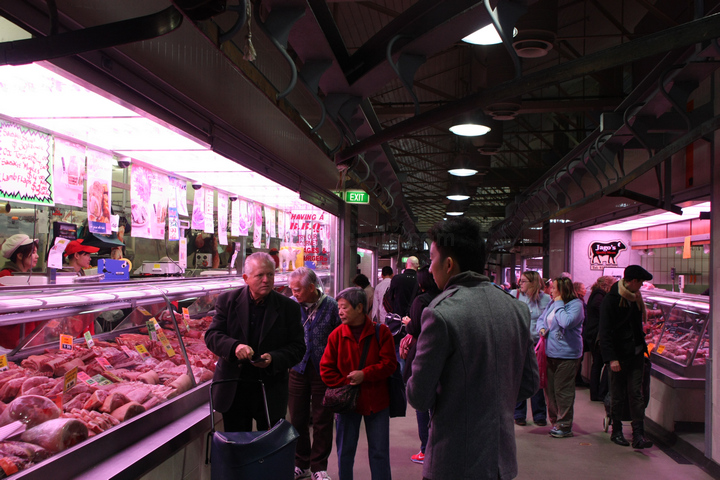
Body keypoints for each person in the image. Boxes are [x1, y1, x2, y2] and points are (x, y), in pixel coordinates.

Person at [407, 218, 538, 480]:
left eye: (431, 259)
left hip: (452, 461)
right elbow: (529, 383)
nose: (429, 268)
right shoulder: (516, 309)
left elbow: (419, 396)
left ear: (448, 264)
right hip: (501, 462)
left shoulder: (440, 313)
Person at [205, 252, 305, 432]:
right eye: (260, 275)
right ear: (246, 278)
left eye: (270, 274)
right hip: (234, 389)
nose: (266, 280)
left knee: (269, 445)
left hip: (270, 390)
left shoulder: (289, 307)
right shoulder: (227, 301)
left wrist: (273, 358)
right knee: (237, 445)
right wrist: (234, 347)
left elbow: (298, 348)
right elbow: (212, 335)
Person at [320, 287, 397, 480]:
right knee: (345, 452)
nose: (340, 312)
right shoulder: (336, 335)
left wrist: (365, 374)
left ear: (360, 307)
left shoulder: (381, 332)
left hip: (376, 402)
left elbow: (390, 364)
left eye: (344, 307)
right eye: (339, 307)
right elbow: (326, 370)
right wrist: (347, 382)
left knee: (379, 452)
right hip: (347, 404)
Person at [288, 267, 341, 480]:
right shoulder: (291, 305)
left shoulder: (332, 306)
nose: (294, 293)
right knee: (297, 418)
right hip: (297, 368)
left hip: (324, 371)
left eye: (298, 289)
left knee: (322, 419)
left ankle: (319, 467)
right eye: (292, 289)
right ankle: (301, 463)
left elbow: (340, 337)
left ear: (311, 287)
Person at [599, 265, 654, 449]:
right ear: (633, 281)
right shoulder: (611, 300)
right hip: (619, 355)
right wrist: (611, 358)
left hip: (636, 354)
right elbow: (604, 332)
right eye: (640, 282)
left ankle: (638, 434)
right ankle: (616, 431)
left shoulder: (636, 298)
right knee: (617, 394)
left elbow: (636, 326)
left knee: (636, 394)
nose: (641, 286)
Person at [398, 265, 440, 465]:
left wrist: (408, 323)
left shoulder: (421, 301)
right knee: (438, 405)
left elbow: (415, 327)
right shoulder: (446, 298)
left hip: (422, 353)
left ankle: (425, 449)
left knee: (421, 402)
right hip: (442, 355)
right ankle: (438, 448)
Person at [536, 276, 585, 438]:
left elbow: (566, 322)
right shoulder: (551, 303)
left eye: (554, 288)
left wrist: (559, 303)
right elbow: (542, 319)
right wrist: (541, 328)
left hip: (568, 355)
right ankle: (555, 421)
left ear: (562, 289)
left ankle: (564, 425)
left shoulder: (576, 305)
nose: (550, 290)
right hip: (549, 353)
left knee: (563, 391)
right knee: (550, 391)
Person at [510, 271, 550, 426]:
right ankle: (519, 413)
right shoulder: (514, 295)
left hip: (537, 344)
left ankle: (539, 414)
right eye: (520, 281)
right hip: (519, 343)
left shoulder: (546, 299)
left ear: (533, 283)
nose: (520, 284)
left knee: (536, 379)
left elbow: (547, 320)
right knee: (518, 378)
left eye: (523, 281)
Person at [0, 234, 40, 349]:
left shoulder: (29, 276)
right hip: (11, 342)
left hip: (29, 339)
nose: (37, 256)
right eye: (33, 252)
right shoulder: (5, 276)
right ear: (20, 255)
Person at [583, 276, 615, 401]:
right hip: (597, 335)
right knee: (601, 363)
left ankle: (596, 393)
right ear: (606, 285)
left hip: (593, 333)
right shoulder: (599, 297)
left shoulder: (595, 294)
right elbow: (604, 313)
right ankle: (599, 393)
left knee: (597, 364)